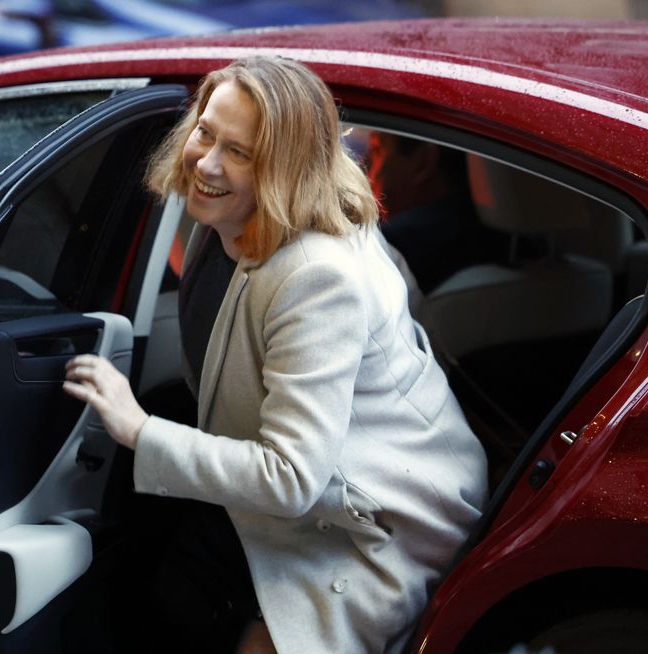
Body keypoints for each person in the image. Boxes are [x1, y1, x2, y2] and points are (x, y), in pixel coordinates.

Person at [63, 56, 488, 654]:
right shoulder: (241, 209)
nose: (206, 162)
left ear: (285, 166)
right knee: (136, 585)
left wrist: (140, 429)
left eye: (239, 151)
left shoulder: (317, 276)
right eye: (205, 132)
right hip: (307, 488)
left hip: (374, 526)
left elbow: (289, 478)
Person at [367, 130, 504, 293]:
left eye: (378, 152)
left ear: (423, 162)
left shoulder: (391, 249)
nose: (370, 175)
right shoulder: (521, 246)